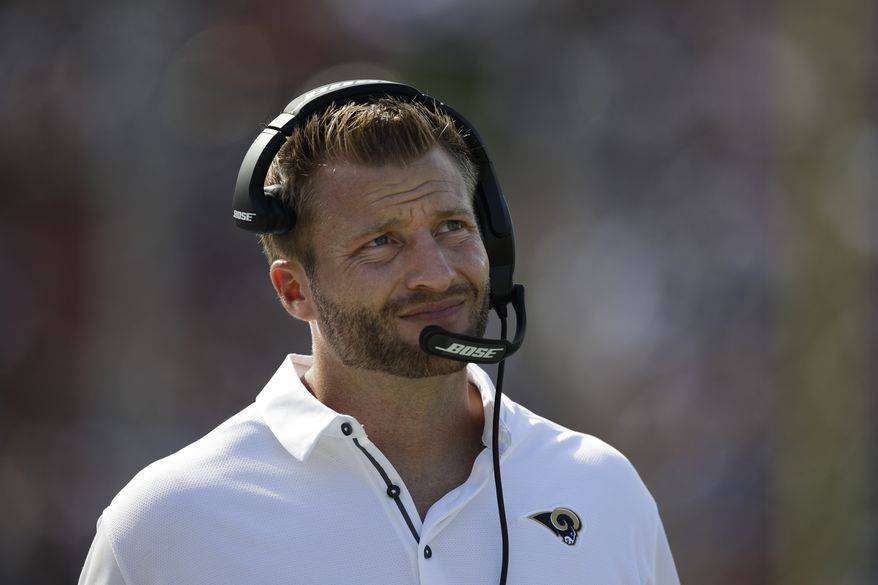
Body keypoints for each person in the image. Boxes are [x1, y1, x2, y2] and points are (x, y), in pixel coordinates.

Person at [79, 80, 680, 585]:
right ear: (294, 290)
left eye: (452, 227)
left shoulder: (603, 489)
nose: (435, 274)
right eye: (381, 242)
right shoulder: (167, 524)